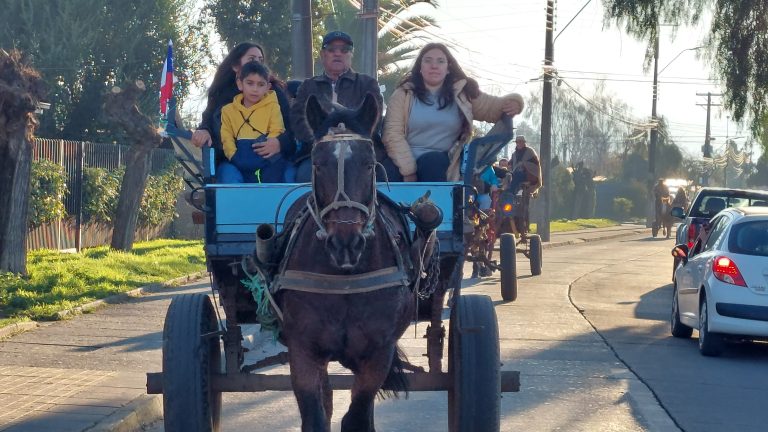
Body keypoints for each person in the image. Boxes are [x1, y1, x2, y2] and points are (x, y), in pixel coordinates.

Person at [381, 42, 523, 182]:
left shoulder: (463, 93)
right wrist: (408, 170)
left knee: (432, 162)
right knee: (381, 172)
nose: (434, 66)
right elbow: (392, 134)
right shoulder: (403, 94)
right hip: (401, 161)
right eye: (428, 61)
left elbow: (493, 108)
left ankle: (434, 205)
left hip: (440, 162)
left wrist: (515, 102)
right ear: (420, 67)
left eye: (440, 61)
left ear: (448, 68)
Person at [191, 42, 294, 181]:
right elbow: (208, 122)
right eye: (252, 59)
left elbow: (291, 129)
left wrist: (279, 142)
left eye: (260, 60)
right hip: (232, 159)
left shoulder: (275, 94)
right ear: (235, 66)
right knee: (230, 177)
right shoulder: (221, 95)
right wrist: (204, 130)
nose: (257, 63)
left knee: (288, 176)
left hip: (271, 157)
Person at [290, 31, 383, 182]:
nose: (338, 53)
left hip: (359, 151)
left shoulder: (367, 84)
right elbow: (298, 122)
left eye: (344, 49)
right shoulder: (308, 86)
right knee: (305, 175)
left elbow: (375, 120)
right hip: (319, 151)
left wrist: (348, 135)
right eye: (331, 49)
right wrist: (323, 137)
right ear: (322, 54)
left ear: (351, 54)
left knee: (385, 174)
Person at [219, 62, 285, 183]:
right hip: (240, 156)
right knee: (228, 174)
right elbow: (226, 135)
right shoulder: (227, 110)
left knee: (275, 177)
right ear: (240, 84)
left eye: (261, 84)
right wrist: (232, 154)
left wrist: (267, 149)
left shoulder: (273, 107)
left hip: (266, 156)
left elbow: (277, 129)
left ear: (268, 87)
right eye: (250, 83)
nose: (255, 89)